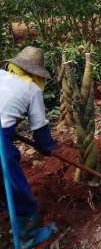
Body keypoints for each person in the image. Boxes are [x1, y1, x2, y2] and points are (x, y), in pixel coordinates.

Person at [0, 46, 57, 247]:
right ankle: (26, 236)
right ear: (37, 73)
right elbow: (40, 128)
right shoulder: (32, 89)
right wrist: (47, 147)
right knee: (15, 184)